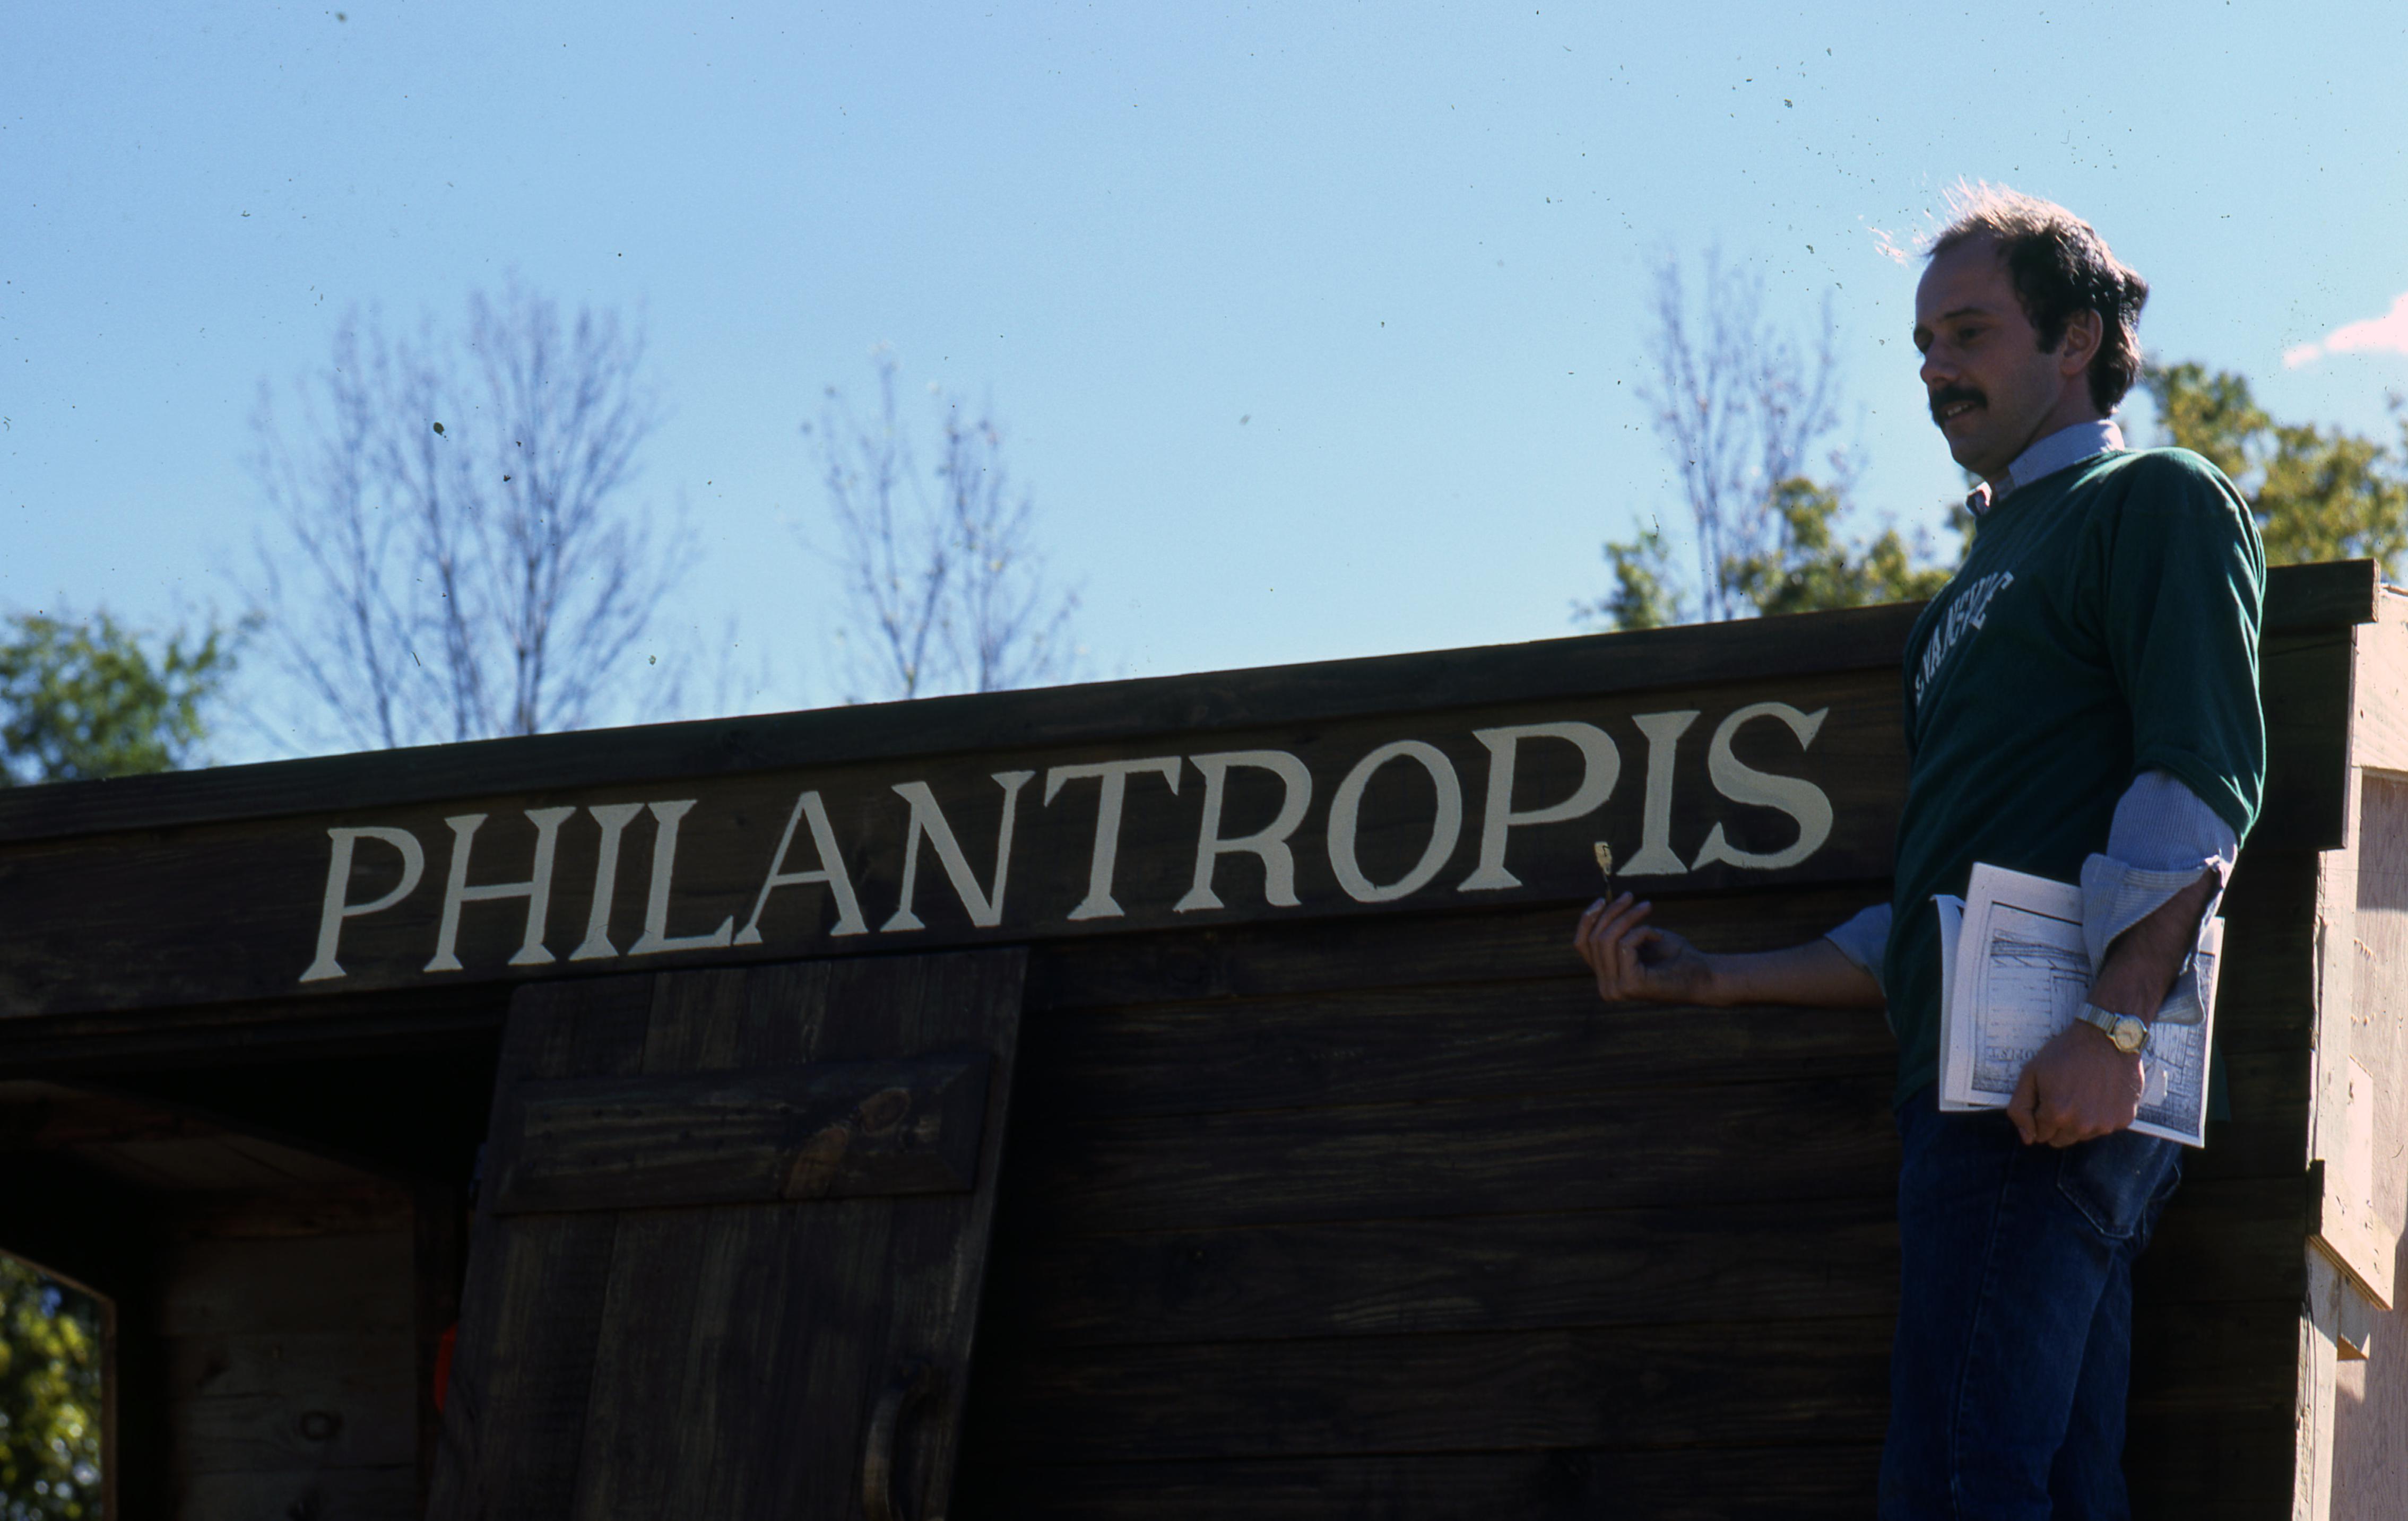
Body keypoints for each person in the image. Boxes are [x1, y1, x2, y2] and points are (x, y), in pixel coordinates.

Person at [1574, 186, 2264, 1519]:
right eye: (1924, 345)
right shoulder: (1960, 598)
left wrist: (2112, 1031)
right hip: (1986, 1092)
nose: (1936, 369)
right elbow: (1930, 912)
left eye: (1970, 333)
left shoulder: (2155, 498)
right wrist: (1710, 979)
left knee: (1954, 1488)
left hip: (2052, 1091)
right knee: (2050, 1490)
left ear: (2074, 339)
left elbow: (2195, 781)